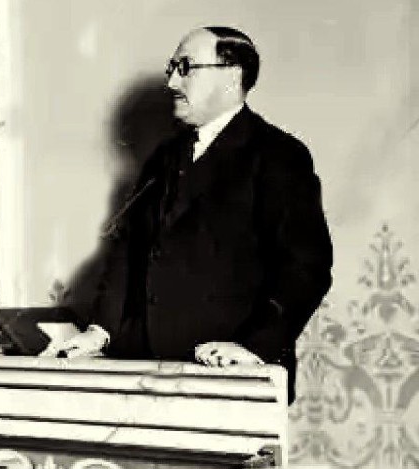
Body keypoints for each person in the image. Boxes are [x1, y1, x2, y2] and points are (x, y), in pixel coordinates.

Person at [44, 26, 332, 403]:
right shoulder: (164, 157)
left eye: (185, 68)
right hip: (148, 374)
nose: (172, 83)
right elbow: (127, 252)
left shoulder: (279, 155)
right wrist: (101, 331)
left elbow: (306, 267)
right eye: (171, 68)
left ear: (231, 76)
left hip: (230, 377)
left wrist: (254, 348)